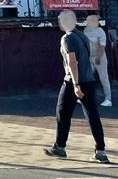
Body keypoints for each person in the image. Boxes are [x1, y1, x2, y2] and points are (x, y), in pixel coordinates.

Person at [45, 10, 108, 163]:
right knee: (92, 115)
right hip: (89, 80)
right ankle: (100, 151)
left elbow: (72, 61)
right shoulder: (82, 36)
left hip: (73, 82)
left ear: (66, 21)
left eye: (60, 20)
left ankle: (60, 147)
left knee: (62, 112)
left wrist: (75, 84)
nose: (59, 23)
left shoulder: (67, 38)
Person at [83, 14, 112, 107]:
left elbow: (102, 45)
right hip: (89, 57)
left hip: (99, 58)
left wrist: (98, 57)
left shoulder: (100, 31)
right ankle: (83, 97)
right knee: (86, 77)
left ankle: (108, 99)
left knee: (103, 78)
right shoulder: (86, 30)